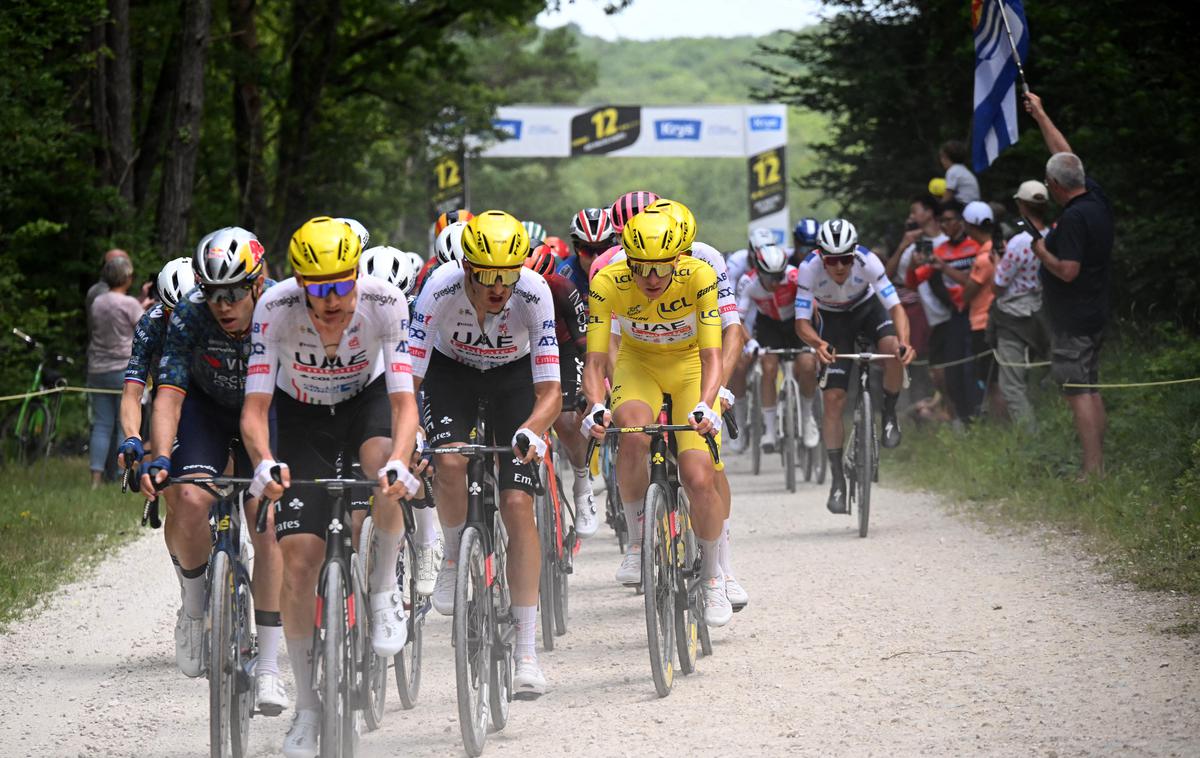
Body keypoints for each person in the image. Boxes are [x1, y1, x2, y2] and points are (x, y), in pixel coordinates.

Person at [241, 217, 422, 756]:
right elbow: (255, 409)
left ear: (355, 276)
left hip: (365, 406)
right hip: (302, 418)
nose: (330, 300)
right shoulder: (273, 309)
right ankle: (308, 708)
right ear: (298, 284)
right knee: (298, 561)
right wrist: (265, 460)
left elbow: (403, 403)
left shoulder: (386, 302)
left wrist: (399, 459)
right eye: (316, 289)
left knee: (380, 469)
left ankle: (385, 588)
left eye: (341, 285)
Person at [410, 210, 561, 697]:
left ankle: (526, 651)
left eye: (508, 274)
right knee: (450, 460)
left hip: (513, 379)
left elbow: (552, 390)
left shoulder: (534, 293)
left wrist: (534, 431)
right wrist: (410, 434)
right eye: (488, 276)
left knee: (518, 504)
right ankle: (454, 558)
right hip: (451, 375)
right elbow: (408, 376)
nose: (499, 287)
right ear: (468, 269)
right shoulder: (438, 288)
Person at [138, 227, 286, 716]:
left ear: (258, 283)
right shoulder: (189, 316)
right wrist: (160, 456)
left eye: (235, 292)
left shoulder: (280, 312)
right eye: (213, 293)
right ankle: (195, 603)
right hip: (205, 408)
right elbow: (169, 395)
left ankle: (268, 667)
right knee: (186, 498)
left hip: (264, 410)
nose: (224, 304)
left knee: (265, 526)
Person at [591, 197, 749, 610]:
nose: (652, 275)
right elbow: (603, 347)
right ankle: (637, 541)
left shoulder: (703, 264)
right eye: (641, 264)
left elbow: (728, 335)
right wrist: (602, 399)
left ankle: (719, 572)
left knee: (703, 473)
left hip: (692, 364)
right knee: (632, 434)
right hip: (638, 363)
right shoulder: (608, 272)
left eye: (664, 262)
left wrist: (714, 397)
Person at [795, 219, 914, 514]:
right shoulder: (808, 269)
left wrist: (905, 342)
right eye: (832, 260)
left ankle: (889, 414)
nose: (839, 267)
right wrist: (818, 344)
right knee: (833, 399)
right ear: (821, 255)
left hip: (867, 310)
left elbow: (896, 307)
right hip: (834, 322)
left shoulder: (868, 262)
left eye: (845, 259)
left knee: (892, 351)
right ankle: (837, 480)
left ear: (854, 254)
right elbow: (801, 323)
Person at [1024, 91, 1113, 477]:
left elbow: (1068, 270)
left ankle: (1092, 471)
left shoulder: (1075, 219)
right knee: (1090, 389)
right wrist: (1041, 114)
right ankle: (1098, 466)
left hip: (1075, 319)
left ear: (1056, 187)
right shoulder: (1095, 197)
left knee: (1079, 394)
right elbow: (1067, 155)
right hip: (1094, 312)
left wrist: (1041, 250)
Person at [525, 245, 599, 538]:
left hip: (563, 349)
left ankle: (583, 485)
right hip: (523, 351)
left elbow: (584, 346)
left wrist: (588, 387)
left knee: (567, 421)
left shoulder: (564, 288)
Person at [737, 229, 820, 452]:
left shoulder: (794, 275)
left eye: (778, 276)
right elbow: (737, 320)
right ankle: (770, 430)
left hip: (795, 323)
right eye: (768, 277)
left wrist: (818, 337)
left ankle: (807, 415)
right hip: (769, 325)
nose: (774, 282)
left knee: (808, 365)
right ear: (758, 270)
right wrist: (750, 343)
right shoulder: (749, 282)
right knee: (768, 366)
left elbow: (815, 307)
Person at [116, 256, 194, 471]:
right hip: (168, 393)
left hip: (211, 393)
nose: (182, 321)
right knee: (169, 476)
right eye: (173, 313)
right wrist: (132, 436)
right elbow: (132, 392)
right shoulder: (151, 324)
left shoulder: (217, 319)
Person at [905, 201, 980, 422]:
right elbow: (912, 283)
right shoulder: (940, 251)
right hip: (954, 316)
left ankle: (979, 413)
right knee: (953, 372)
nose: (945, 225)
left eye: (949, 220)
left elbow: (974, 281)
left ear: (961, 222)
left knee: (974, 369)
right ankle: (962, 418)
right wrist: (911, 264)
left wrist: (945, 267)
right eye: (942, 221)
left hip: (977, 311)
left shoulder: (975, 247)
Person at [991, 180, 1051, 426]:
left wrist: (996, 260)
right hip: (1044, 312)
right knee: (1045, 371)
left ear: (1021, 205)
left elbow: (998, 283)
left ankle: (1031, 439)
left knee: (1012, 385)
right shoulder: (1053, 235)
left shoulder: (1018, 243)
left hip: (1014, 317)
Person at [86, 254, 144, 488]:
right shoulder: (130, 304)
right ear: (126, 278)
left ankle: (95, 479)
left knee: (101, 424)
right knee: (124, 424)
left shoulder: (98, 301)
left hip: (97, 368)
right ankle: (124, 476)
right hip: (122, 368)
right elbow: (143, 329)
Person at [886, 196, 945, 404]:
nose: (911, 216)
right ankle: (911, 405)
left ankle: (935, 403)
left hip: (939, 309)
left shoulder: (946, 242)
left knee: (933, 360)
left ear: (929, 213)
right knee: (909, 355)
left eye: (915, 211)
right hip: (914, 310)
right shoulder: (911, 247)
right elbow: (890, 276)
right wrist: (904, 245)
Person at [949, 201, 999, 418]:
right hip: (995, 320)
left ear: (970, 226)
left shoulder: (983, 258)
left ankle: (1000, 425)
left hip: (982, 322)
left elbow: (968, 292)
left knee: (990, 380)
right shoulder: (998, 249)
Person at [557, 207, 616, 298]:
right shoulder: (565, 276)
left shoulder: (624, 269)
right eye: (588, 251)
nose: (596, 258)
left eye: (602, 251)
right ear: (576, 249)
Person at [938, 139, 981, 203]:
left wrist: (939, 208)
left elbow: (948, 195)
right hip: (973, 204)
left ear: (946, 157)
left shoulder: (952, 171)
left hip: (963, 205)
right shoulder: (962, 169)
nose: (941, 161)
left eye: (942, 157)